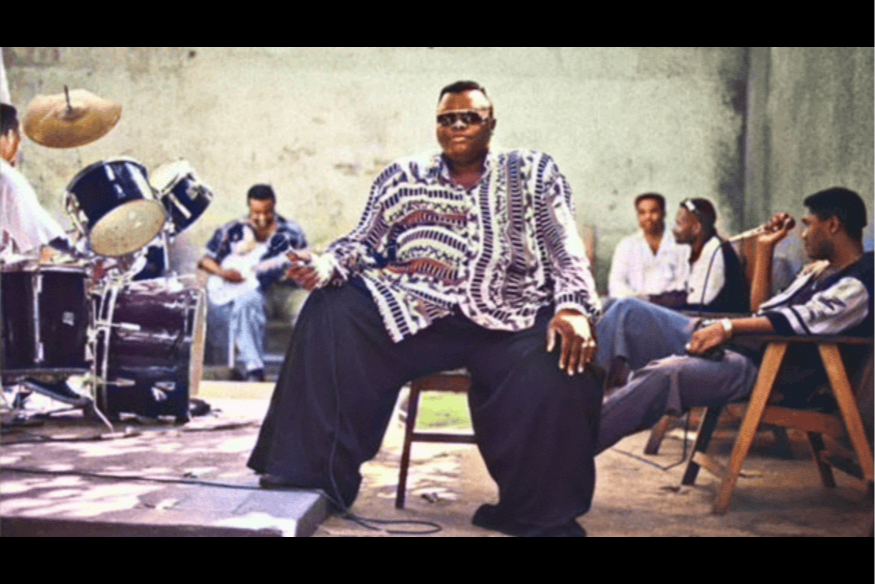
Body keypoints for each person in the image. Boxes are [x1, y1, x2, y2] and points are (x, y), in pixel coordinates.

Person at [248, 81, 603, 537]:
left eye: (470, 117)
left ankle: (538, 513)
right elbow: (363, 242)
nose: (457, 126)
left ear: (491, 123)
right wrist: (325, 266)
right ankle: (313, 472)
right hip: (421, 311)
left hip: (512, 316)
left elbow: (564, 246)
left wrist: (573, 306)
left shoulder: (532, 172)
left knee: (560, 357)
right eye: (446, 119)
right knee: (333, 307)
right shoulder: (403, 177)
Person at [597, 187, 874, 453]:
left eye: (808, 225)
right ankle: (576, 395)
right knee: (625, 310)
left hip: (760, 368)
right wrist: (765, 249)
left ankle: (577, 444)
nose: (802, 235)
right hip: (738, 346)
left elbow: (797, 319)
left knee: (663, 374)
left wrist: (729, 326)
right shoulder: (819, 270)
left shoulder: (858, 283)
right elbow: (761, 311)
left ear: (832, 225)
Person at [198, 184, 306, 381]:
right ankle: (255, 369)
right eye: (257, 213)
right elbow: (206, 260)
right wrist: (223, 273)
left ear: (274, 207)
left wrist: (299, 271)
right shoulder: (232, 230)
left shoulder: (291, 231)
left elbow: (304, 262)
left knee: (310, 306)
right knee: (246, 303)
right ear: (249, 208)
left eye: (267, 212)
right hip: (253, 289)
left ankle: (310, 369)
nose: (262, 218)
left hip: (285, 289)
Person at [1, 103, 75, 258]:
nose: (18, 147)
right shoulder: (6, 177)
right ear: (10, 135)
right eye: (19, 138)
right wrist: (76, 251)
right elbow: (43, 239)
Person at [607, 192, 688, 301]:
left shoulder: (680, 244)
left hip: (670, 307)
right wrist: (639, 300)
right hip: (635, 306)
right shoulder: (626, 245)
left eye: (653, 211)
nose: (648, 217)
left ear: (663, 213)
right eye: (642, 212)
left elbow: (682, 283)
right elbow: (616, 283)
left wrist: (657, 300)